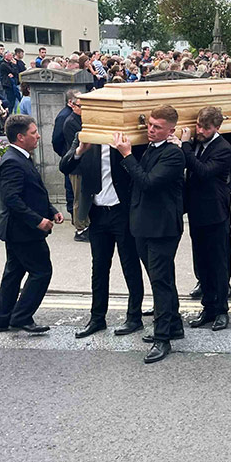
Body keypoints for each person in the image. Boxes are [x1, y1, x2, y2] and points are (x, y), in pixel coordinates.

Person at [113, 105, 186, 363]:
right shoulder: (151, 149)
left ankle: (162, 337)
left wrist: (127, 155)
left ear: (171, 130)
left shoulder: (173, 155)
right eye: (150, 125)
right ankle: (174, 324)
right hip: (143, 226)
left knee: (160, 282)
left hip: (162, 229)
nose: (151, 130)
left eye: (157, 127)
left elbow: (149, 183)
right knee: (163, 278)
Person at [59, 123, 145, 339]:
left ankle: (134, 317)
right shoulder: (86, 135)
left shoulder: (126, 137)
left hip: (122, 212)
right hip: (97, 213)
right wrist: (80, 150)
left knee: (130, 265)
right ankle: (97, 318)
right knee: (99, 268)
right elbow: (65, 166)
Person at [0, 114, 63, 334]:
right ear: (20, 137)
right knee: (42, 271)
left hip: (18, 231)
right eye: (34, 133)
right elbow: (12, 199)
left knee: (13, 273)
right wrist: (38, 221)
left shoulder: (21, 157)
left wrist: (51, 211)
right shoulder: (13, 162)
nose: (38, 136)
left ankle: (3, 319)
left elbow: (32, 193)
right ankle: (21, 316)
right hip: (23, 231)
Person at [179, 106, 231, 331]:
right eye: (198, 125)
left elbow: (202, 171)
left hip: (215, 213)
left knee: (217, 264)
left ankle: (221, 310)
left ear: (217, 128)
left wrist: (184, 145)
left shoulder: (223, 148)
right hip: (197, 212)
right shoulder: (197, 143)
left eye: (205, 127)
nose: (199, 130)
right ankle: (208, 308)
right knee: (202, 263)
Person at [62, 93, 90, 243]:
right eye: (80, 106)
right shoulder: (71, 122)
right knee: (78, 197)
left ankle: (85, 224)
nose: (83, 109)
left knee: (84, 196)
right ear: (73, 106)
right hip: (76, 166)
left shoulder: (79, 119)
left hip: (84, 165)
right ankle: (80, 228)